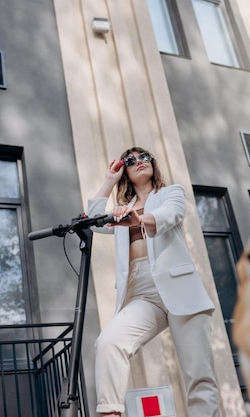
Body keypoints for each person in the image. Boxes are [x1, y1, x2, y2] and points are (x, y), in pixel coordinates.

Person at [87, 146, 220, 417]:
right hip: (142, 291)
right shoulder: (120, 209)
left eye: (144, 157)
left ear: (153, 163)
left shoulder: (170, 193)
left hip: (180, 288)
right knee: (109, 343)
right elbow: (91, 221)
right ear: (126, 170)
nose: (139, 162)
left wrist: (139, 218)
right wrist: (109, 180)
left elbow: (171, 215)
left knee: (199, 377)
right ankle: (110, 412)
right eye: (131, 160)